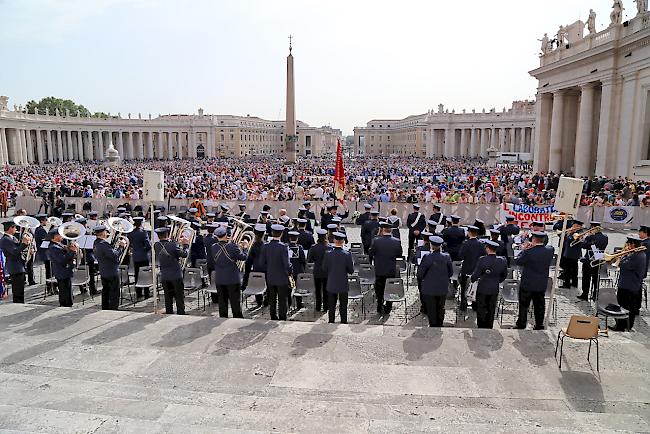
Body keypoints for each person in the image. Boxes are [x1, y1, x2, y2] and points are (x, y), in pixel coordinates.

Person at [514, 231, 555, 330]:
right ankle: (539, 324)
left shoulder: (528, 252)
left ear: (533, 239)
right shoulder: (549, 251)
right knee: (539, 306)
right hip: (541, 284)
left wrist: (524, 249)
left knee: (524, 305)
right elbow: (550, 248)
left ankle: (521, 324)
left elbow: (518, 261)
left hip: (527, 283)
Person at [211, 225, 247, 318]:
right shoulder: (232, 246)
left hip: (220, 278)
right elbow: (243, 257)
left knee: (222, 302)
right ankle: (237, 318)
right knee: (235, 301)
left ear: (216, 236)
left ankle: (223, 318)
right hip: (232, 278)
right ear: (226, 234)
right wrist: (245, 248)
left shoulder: (213, 247)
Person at [417, 236, 452, 327]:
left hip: (429, 288)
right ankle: (440, 324)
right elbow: (451, 273)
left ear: (431, 245)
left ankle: (433, 325)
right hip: (442, 287)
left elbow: (420, 274)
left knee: (431, 308)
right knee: (441, 307)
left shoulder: (427, 257)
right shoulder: (447, 257)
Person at [471, 240, 507, 328]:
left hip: (483, 287)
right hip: (494, 287)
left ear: (487, 248)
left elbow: (476, 274)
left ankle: (481, 325)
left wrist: (473, 279)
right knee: (491, 308)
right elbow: (504, 275)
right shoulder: (502, 260)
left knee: (481, 307)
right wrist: (497, 281)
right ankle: (489, 325)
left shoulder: (482, 259)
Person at [369, 221, 403, 315]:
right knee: (390, 288)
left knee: (379, 289)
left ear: (383, 230)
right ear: (391, 230)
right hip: (391, 269)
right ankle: (388, 307)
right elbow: (399, 254)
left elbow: (371, 253)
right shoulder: (397, 241)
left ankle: (379, 306)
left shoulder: (376, 240)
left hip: (379, 269)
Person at [154, 227, 190, 315]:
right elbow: (184, 254)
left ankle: (169, 312)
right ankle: (181, 312)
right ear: (167, 234)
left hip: (164, 275)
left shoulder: (156, 245)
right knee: (179, 296)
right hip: (175, 275)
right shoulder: (172, 245)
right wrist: (186, 245)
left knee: (167, 296)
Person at [260, 224, 292, 320]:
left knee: (272, 299)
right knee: (282, 299)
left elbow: (262, 263)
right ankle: (282, 317)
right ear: (281, 234)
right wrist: (290, 271)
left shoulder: (266, 246)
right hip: (282, 277)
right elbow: (287, 264)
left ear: (272, 233)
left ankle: (273, 316)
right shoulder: (283, 247)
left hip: (270, 276)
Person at [614, 236, 646, 331]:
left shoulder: (637, 256)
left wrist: (624, 255)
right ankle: (626, 325)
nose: (627, 246)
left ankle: (621, 326)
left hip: (628, 285)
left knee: (624, 306)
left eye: (628, 244)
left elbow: (624, 265)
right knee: (628, 306)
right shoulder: (638, 254)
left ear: (632, 245)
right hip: (630, 284)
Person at [322, 232, 354, 323]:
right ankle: (343, 321)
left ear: (334, 240)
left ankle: (331, 321)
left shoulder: (328, 254)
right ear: (343, 241)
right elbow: (351, 270)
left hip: (331, 282)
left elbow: (324, 268)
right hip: (343, 282)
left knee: (331, 304)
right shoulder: (347, 254)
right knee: (343, 304)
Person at [93, 225, 123, 310]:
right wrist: (121, 247)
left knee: (105, 290)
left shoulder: (96, 242)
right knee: (114, 291)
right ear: (103, 233)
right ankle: (113, 308)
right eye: (106, 232)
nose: (107, 233)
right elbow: (114, 255)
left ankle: (105, 307)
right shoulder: (104, 244)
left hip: (103, 270)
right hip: (111, 270)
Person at [0, 221, 29, 303]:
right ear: (10, 228)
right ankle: (18, 303)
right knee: (17, 288)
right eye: (15, 227)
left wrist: (25, 243)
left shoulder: (13, 238)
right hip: (14, 266)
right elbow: (15, 251)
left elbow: (18, 246)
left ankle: (20, 302)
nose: (16, 229)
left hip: (19, 265)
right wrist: (24, 244)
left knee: (20, 287)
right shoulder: (5, 239)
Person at [578, 221, 608, 301]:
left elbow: (583, 246)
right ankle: (595, 295)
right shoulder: (605, 237)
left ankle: (585, 294)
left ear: (593, 228)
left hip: (588, 260)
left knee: (586, 278)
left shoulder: (590, 237)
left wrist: (585, 238)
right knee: (596, 279)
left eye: (591, 228)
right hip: (599, 259)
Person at [48, 227, 77, 307]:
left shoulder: (59, 244)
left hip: (65, 271)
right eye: (60, 235)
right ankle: (65, 305)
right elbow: (62, 260)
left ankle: (68, 303)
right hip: (62, 272)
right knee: (64, 290)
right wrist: (72, 251)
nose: (62, 236)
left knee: (67, 288)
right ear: (56, 236)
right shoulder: (53, 247)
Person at [458, 225, 485, 311]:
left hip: (466, 269)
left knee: (464, 288)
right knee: (475, 288)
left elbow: (461, 256)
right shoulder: (481, 244)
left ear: (469, 233)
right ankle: (475, 305)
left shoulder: (465, 243)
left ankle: (463, 304)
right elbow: (483, 256)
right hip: (476, 270)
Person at [242, 224, 267, 307]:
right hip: (266, 271)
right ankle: (267, 300)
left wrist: (245, 279)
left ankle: (259, 301)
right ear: (264, 234)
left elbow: (248, 262)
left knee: (256, 283)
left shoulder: (253, 246)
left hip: (256, 270)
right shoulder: (266, 246)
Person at [307, 228, 331, 312]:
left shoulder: (314, 248)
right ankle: (326, 306)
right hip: (326, 272)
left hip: (317, 271)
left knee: (317, 290)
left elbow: (310, 259)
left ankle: (318, 306)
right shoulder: (329, 248)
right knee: (326, 290)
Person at [128, 216, 152, 298]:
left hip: (135, 256)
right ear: (141, 223)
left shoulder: (131, 233)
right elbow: (148, 246)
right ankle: (146, 293)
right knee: (145, 274)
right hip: (143, 256)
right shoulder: (143, 232)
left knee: (137, 274)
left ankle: (138, 293)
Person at [560, 220, 584, 289]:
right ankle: (574, 283)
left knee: (568, 270)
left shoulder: (578, 233)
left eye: (574, 226)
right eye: (573, 226)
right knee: (573, 270)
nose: (572, 227)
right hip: (572, 254)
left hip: (570, 254)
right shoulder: (577, 232)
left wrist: (569, 234)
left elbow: (570, 240)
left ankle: (567, 284)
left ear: (578, 226)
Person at [288, 230, 307, 309]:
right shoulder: (299, 247)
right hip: (299, 271)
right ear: (297, 239)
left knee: (289, 288)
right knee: (299, 287)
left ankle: (289, 303)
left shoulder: (286, 247)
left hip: (289, 272)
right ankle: (299, 303)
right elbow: (303, 260)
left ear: (289, 238)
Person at [203, 223, 218, 302]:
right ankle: (218, 297)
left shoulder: (205, 238)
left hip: (209, 262)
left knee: (211, 280)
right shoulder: (215, 239)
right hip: (216, 262)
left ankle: (214, 298)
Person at [34, 214, 50, 287]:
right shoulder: (41, 230)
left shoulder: (39, 229)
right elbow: (46, 241)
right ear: (41, 221)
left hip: (44, 252)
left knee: (48, 270)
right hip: (45, 253)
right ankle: (49, 286)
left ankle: (50, 285)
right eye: (45, 220)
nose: (46, 221)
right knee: (49, 271)